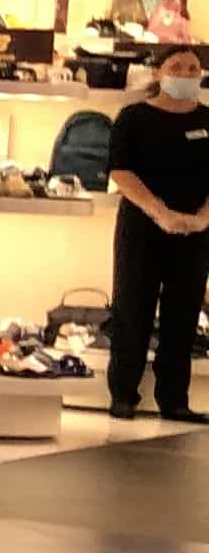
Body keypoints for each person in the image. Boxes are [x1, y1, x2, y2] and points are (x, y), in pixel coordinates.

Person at [104, 41, 209, 422]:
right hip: (142, 228)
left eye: (192, 69)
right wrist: (159, 213)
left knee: (184, 313)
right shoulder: (134, 118)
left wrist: (202, 218)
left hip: (196, 231)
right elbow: (121, 172)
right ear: (158, 73)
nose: (185, 75)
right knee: (133, 308)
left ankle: (174, 399)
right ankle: (123, 394)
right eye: (176, 67)